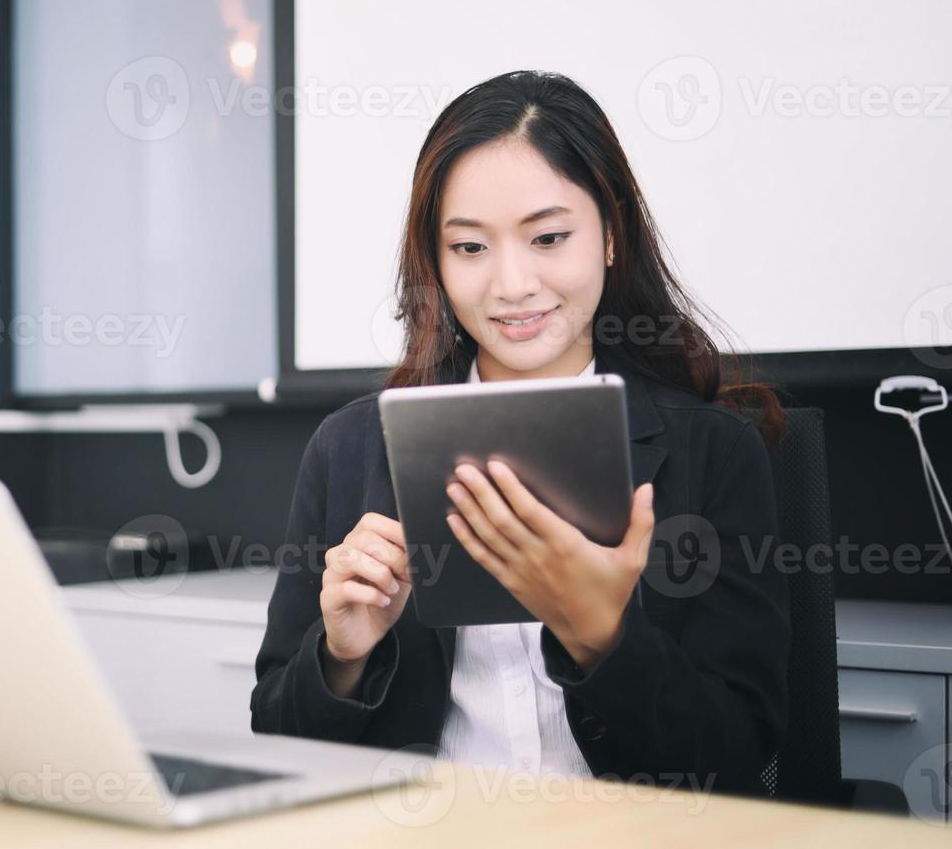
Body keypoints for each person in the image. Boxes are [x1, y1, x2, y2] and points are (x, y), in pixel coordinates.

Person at [250, 70, 790, 796]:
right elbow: (280, 743)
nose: (511, 284)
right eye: (470, 248)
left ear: (609, 236)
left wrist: (602, 636)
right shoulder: (350, 450)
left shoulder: (714, 452)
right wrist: (342, 657)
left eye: (548, 237)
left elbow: (738, 760)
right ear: (436, 261)